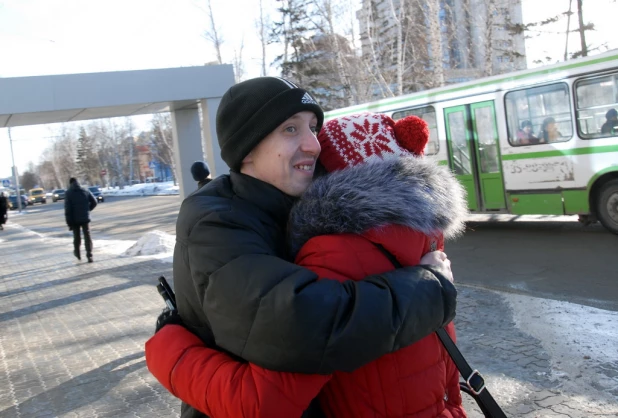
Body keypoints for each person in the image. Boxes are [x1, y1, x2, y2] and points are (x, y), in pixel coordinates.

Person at [148, 77, 457, 418]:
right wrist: (429, 288)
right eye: (291, 130)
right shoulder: (216, 221)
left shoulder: (294, 209)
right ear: (248, 148)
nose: (314, 144)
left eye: (313, 127)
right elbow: (303, 324)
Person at [64, 177, 97, 262]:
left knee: (76, 237)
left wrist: (69, 223)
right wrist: (88, 210)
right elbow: (94, 202)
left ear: (70, 183)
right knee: (87, 236)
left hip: (75, 220)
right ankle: (89, 255)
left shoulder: (69, 193)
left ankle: (77, 253)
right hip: (85, 218)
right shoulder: (85, 190)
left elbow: (68, 209)